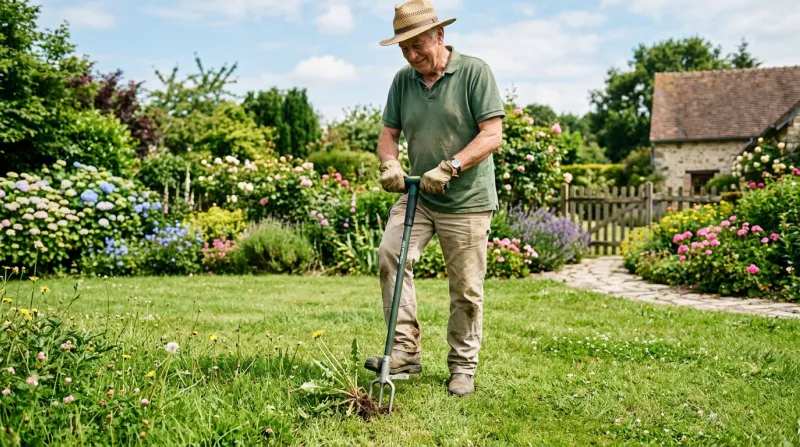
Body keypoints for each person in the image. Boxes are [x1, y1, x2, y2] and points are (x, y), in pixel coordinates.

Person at [363, 0, 505, 397]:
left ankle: (462, 367)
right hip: (419, 195)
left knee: (466, 290)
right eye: (404, 49)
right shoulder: (402, 81)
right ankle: (405, 351)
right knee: (391, 255)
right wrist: (390, 163)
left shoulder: (475, 72)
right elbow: (389, 134)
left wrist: (451, 166)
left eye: (418, 45)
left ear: (440, 35)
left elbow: (492, 134)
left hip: (467, 199)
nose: (411, 55)